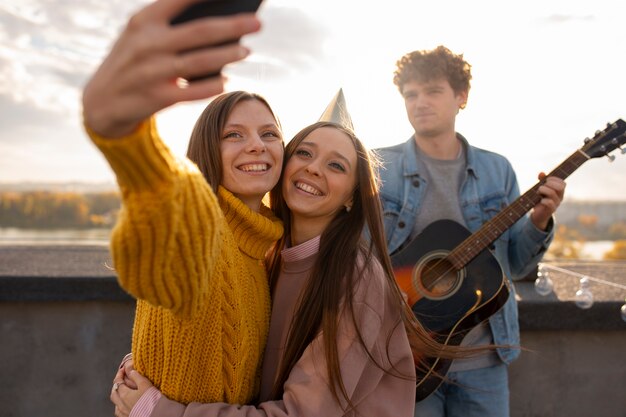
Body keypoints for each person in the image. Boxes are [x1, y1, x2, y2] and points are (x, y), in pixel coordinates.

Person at [110, 120, 463, 417]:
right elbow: (225, 345)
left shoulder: (357, 282)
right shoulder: (265, 257)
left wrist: (157, 410)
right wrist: (145, 366)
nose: (313, 168)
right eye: (304, 153)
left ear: (353, 196)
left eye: (336, 165)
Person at [82, 0, 284, 406]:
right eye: (234, 135)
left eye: (269, 133)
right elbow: (166, 219)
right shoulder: (204, 226)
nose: (257, 146)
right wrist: (128, 138)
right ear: (207, 148)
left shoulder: (263, 248)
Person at [375, 45, 566, 416]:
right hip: (402, 355)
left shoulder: (498, 171)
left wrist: (539, 220)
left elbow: (515, 265)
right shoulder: (379, 167)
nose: (420, 102)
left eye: (432, 91)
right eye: (410, 94)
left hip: (483, 359)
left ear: (461, 97)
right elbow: (357, 257)